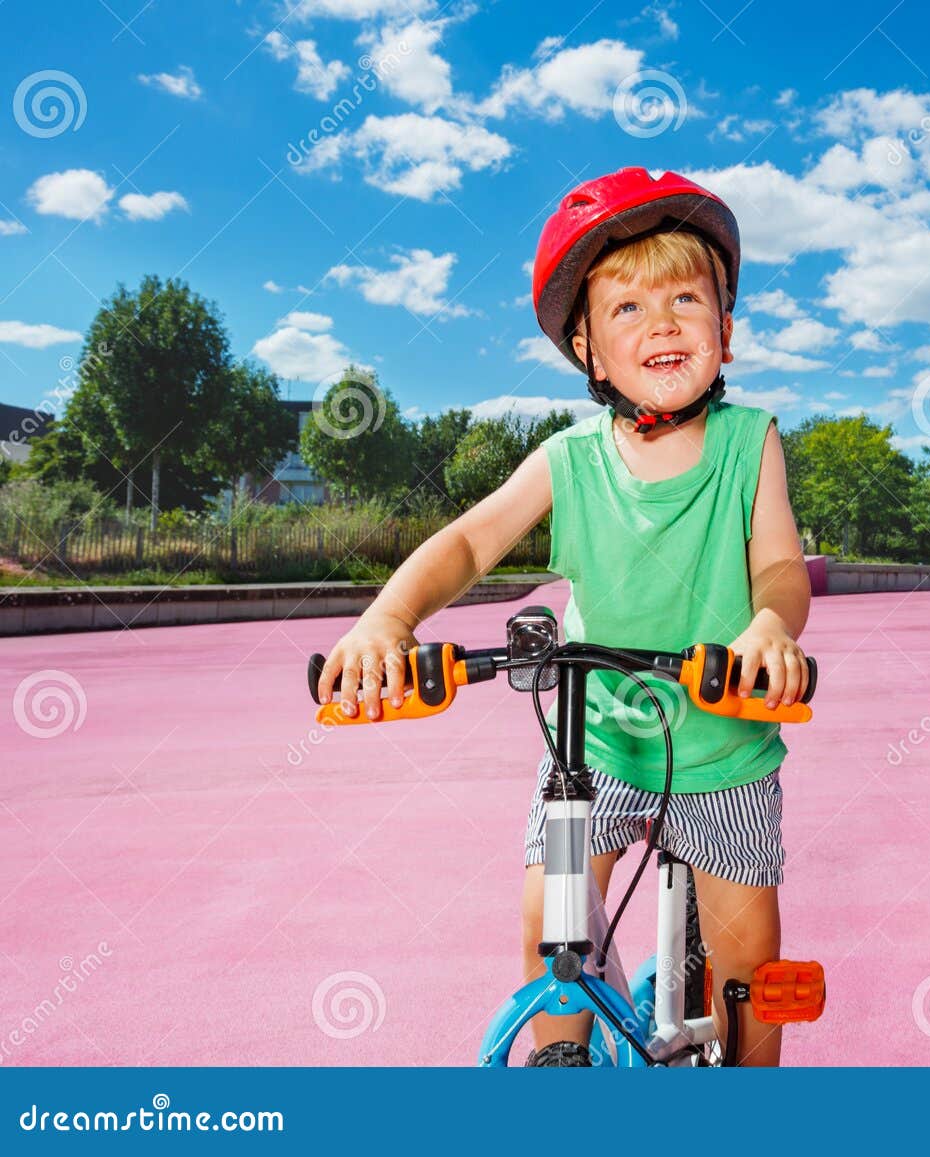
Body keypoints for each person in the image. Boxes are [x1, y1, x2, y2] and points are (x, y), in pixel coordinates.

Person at [315, 167, 813, 1067]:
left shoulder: (752, 441)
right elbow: (469, 544)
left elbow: (779, 564)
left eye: (686, 298)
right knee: (555, 923)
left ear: (726, 331)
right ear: (588, 350)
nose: (661, 320)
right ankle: (561, 1067)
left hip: (727, 744)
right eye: (627, 307)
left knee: (750, 973)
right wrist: (388, 617)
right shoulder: (569, 458)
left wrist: (771, 626)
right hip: (600, 746)